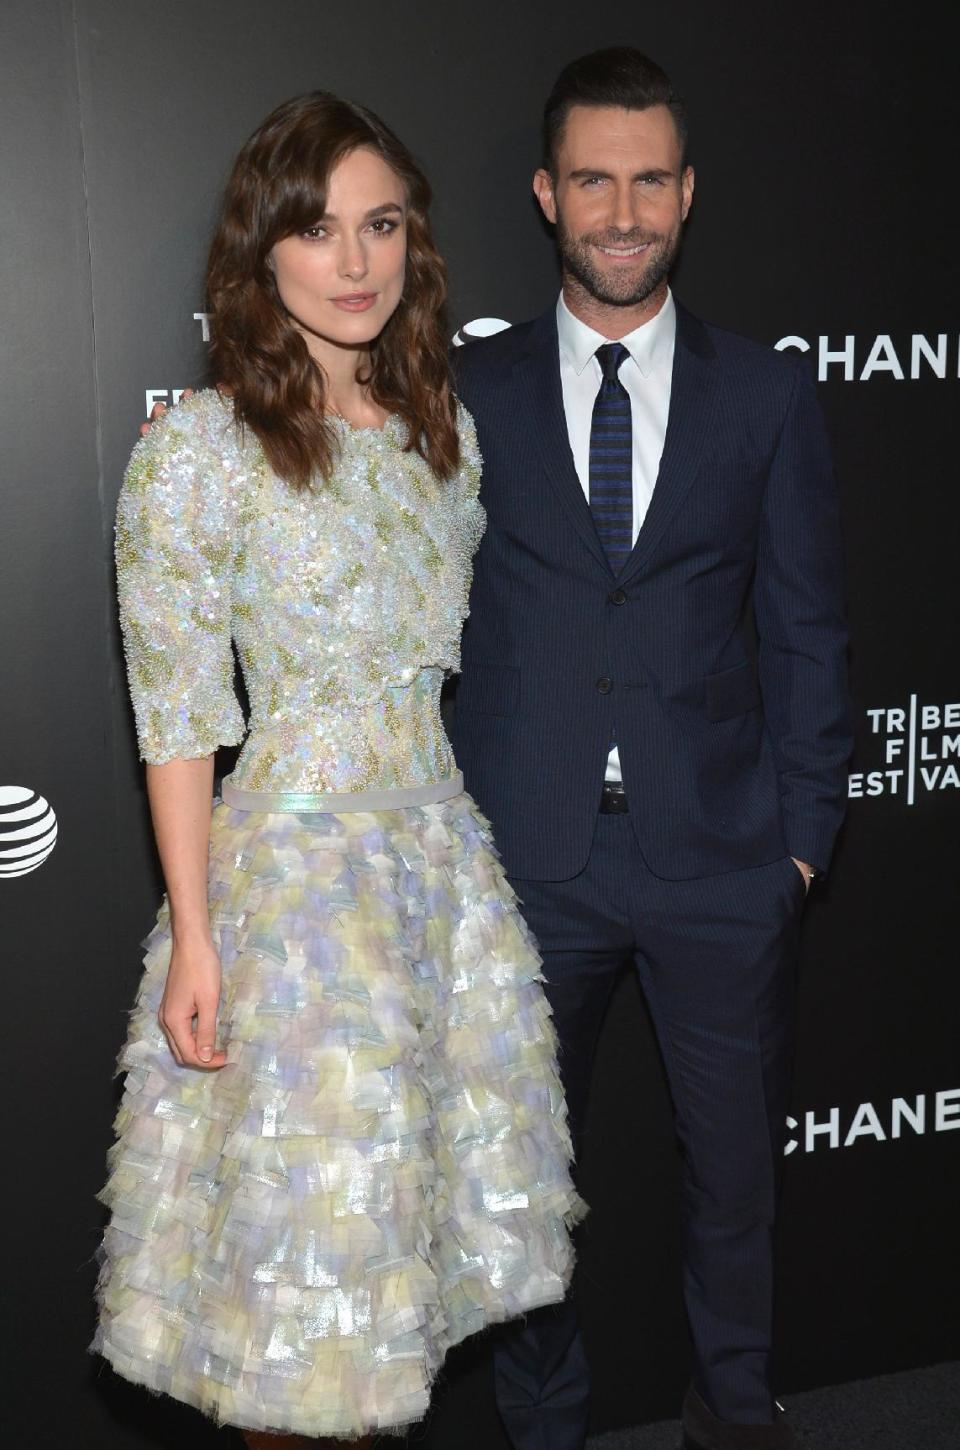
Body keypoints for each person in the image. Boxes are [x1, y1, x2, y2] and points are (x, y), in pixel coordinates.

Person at [92, 91, 584, 1447]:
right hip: (296, 914)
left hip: (438, 892)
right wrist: (197, 939)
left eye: (381, 225)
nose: (356, 260)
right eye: (317, 229)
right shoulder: (196, 455)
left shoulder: (445, 438)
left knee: (393, 1300)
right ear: (263, 253)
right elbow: (182, 719)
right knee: (297, 1326)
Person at [450, 48, 852, 1450]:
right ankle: (542, 1423)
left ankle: (734, 1414)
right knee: (519, 1181)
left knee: (736, 1181)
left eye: (651, 181)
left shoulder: (767, 396)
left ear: (687, 195)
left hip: (722, 859)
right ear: (549, 195)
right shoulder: (466, 395)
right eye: (594, 181)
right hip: (525, 867)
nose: (623, 211)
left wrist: (799, 845)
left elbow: (809, 632)